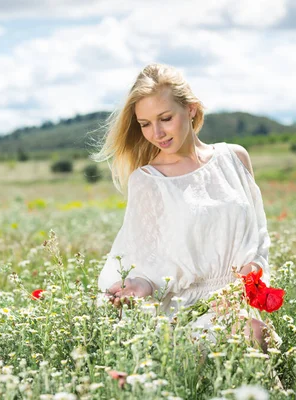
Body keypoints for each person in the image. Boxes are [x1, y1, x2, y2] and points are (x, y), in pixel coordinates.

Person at [91, 63, 276, 351]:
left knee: (253, 331)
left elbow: (259, 238)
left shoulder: (235, 158)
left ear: (190, 109)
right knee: (250, 333)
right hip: (187, 311)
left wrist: (244, 281)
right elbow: (149, 261)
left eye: (165, 118)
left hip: (240, 300)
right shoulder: (149, 180)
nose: (157, 133)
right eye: (145, 124)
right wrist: (139, 286)